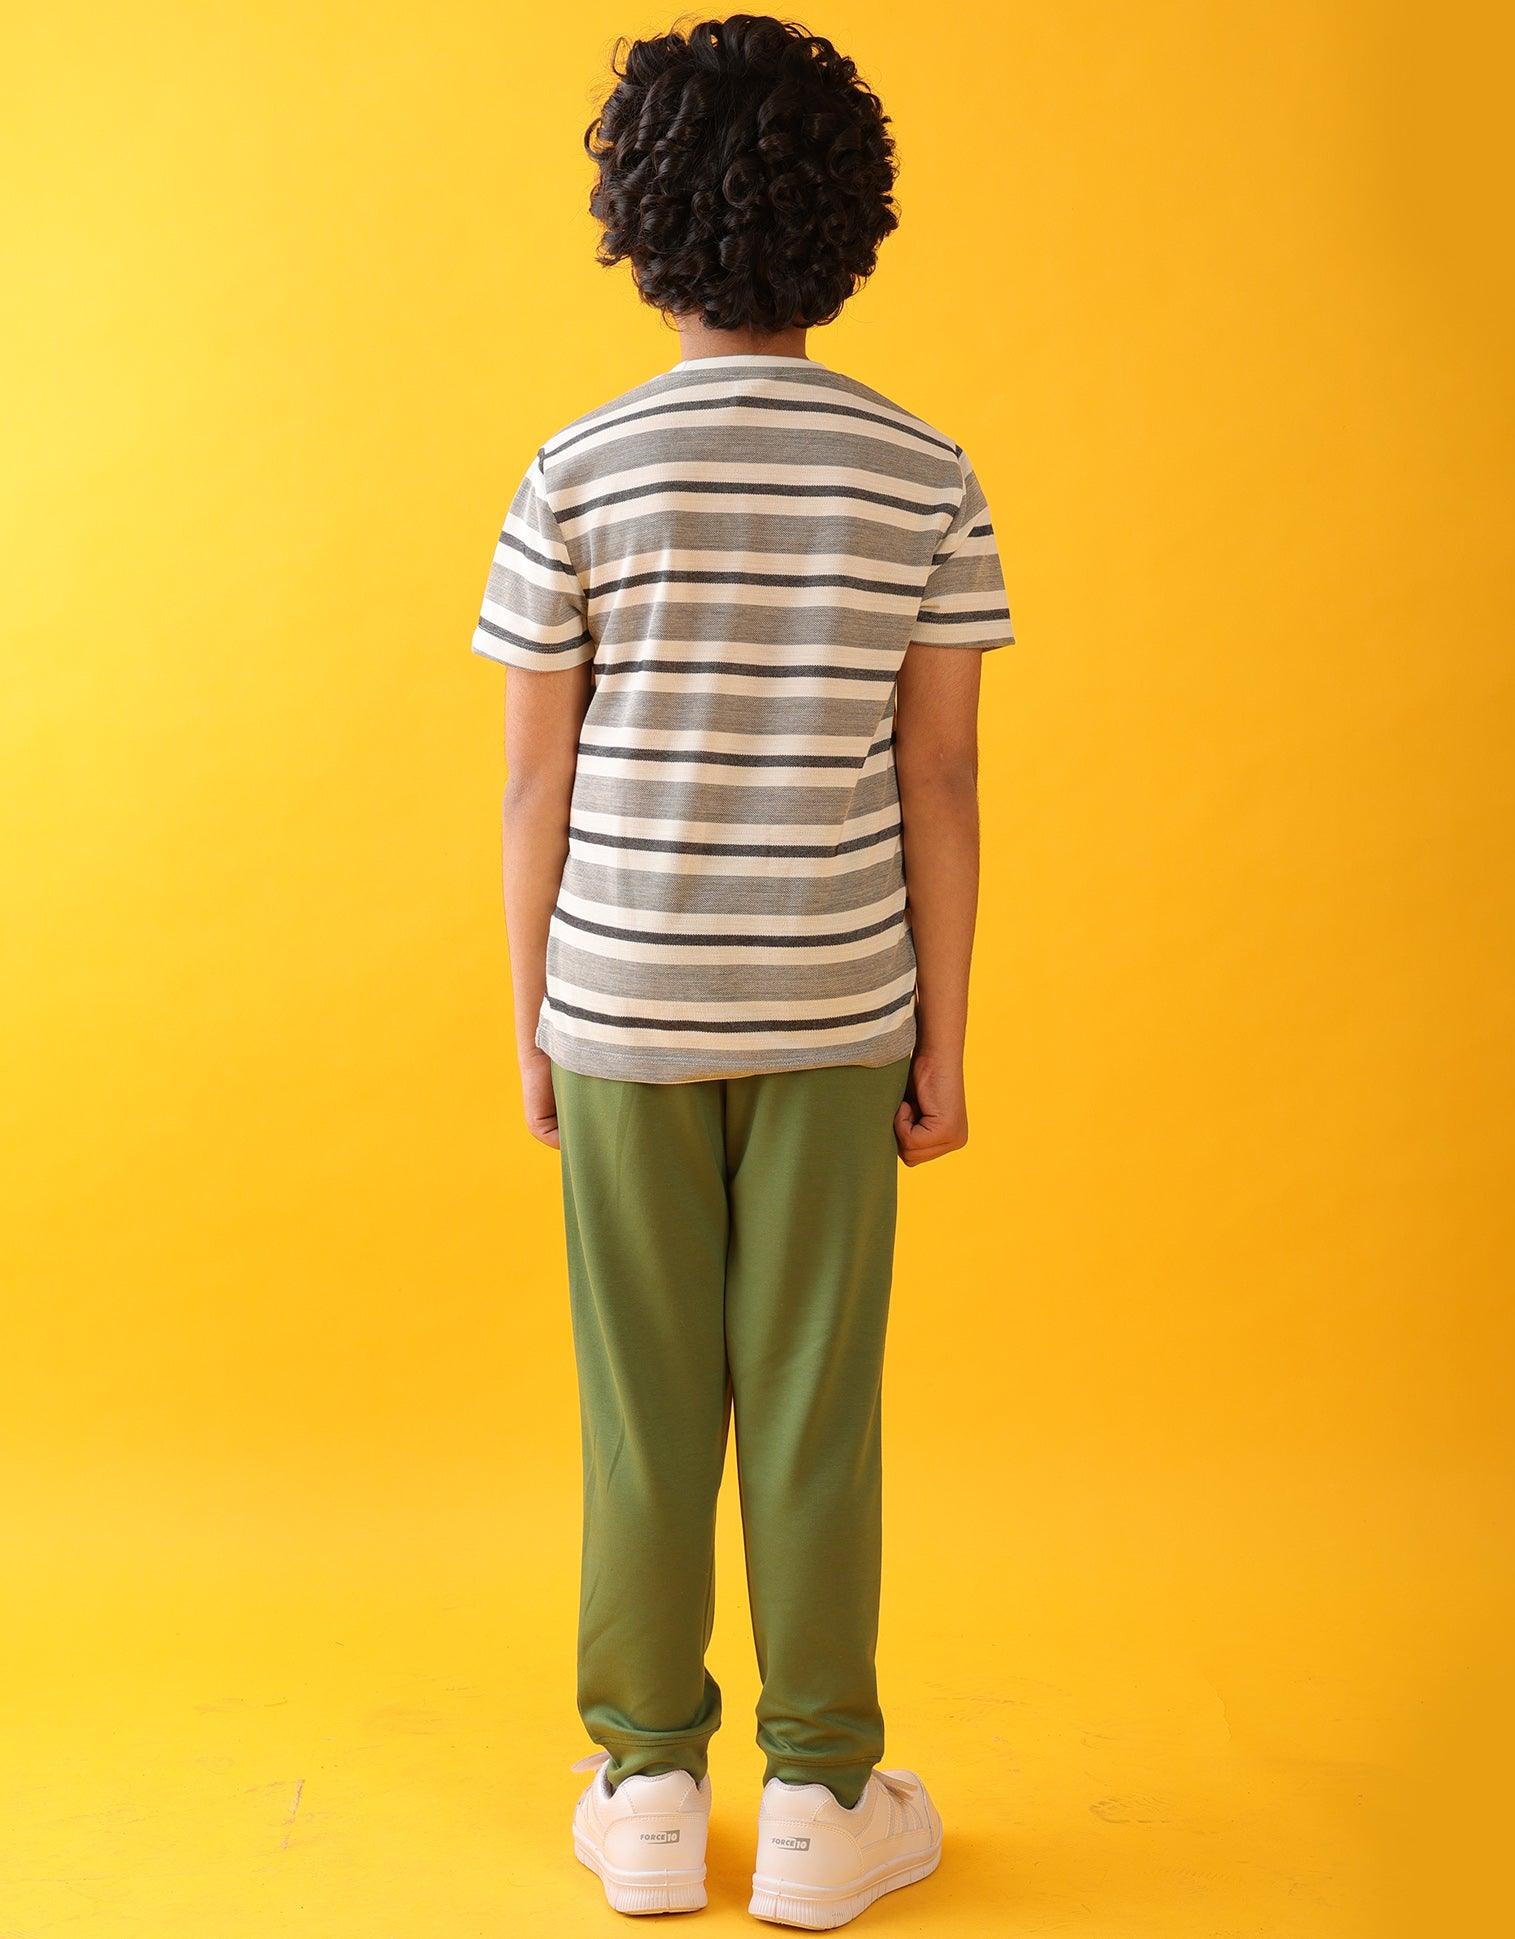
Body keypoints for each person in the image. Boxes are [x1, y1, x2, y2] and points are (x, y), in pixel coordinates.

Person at [470, 15, 1013, 1926]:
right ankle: (819, 1801)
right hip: (837, 1008)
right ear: (849, 222)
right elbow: (939, 776)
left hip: (621, 1002)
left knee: (642, 1404)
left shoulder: (576, 467)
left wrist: (535, 1021)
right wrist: (947, 1040)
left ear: (638, 222)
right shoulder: (924, 471)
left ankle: (642, 1786)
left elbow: (536, 778)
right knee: (811, 1406)